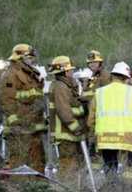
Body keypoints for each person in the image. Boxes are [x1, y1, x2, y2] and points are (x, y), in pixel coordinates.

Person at [87, 61, 132, 184]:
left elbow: (91, 120)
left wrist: (94, 133)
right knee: (129, 167)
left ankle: (110, 186)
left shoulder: (99, 93)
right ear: (125, 77)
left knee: (109, 165)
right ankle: (127, 188)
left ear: (113, 76)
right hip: (128, 137)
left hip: (105, 137)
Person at [0, 44, 46, 177]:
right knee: (20, 163)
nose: (32, 60)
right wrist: (15, 123)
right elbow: (7, 100)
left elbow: (36, 100)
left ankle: (37, 187)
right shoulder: (11, 75)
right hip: (19, 129)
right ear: (20, 57)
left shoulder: (31, 75)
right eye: (29, 57)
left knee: (37, 162)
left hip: (33, 128)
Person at [48, 56, 87, 184]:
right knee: (68, 165)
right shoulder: (60, 87)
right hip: (66, 134)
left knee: (77, 163)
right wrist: (76, 128)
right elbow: (64, 111)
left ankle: (77, 186)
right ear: (64, 71)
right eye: (70, 70)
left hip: (71, 134)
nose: (72, 72)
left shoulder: (67, 86)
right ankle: (67, 187)